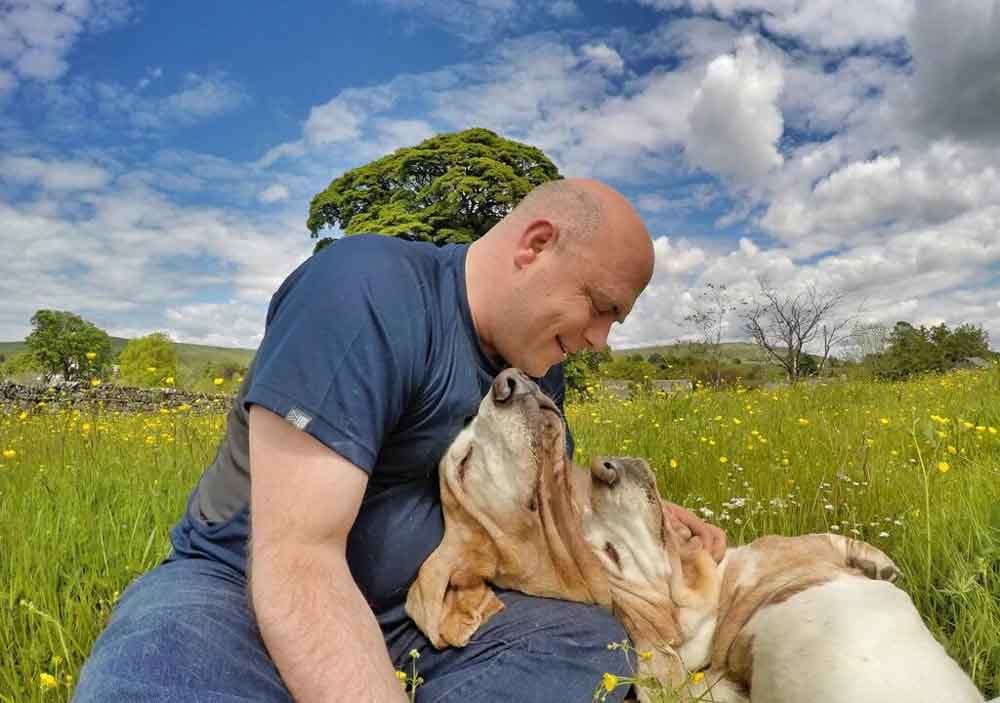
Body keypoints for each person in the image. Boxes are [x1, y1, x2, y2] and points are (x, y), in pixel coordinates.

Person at [73, 178, 726, 703]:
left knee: (588, 643)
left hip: (420, 612)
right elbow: (298, 555)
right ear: (536, 244)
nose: (600, 340)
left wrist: (649, 513)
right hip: (236, 591)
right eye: (601, 306)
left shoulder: (537, 364)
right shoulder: (363, 292)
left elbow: (551, 487)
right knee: (153, 676)